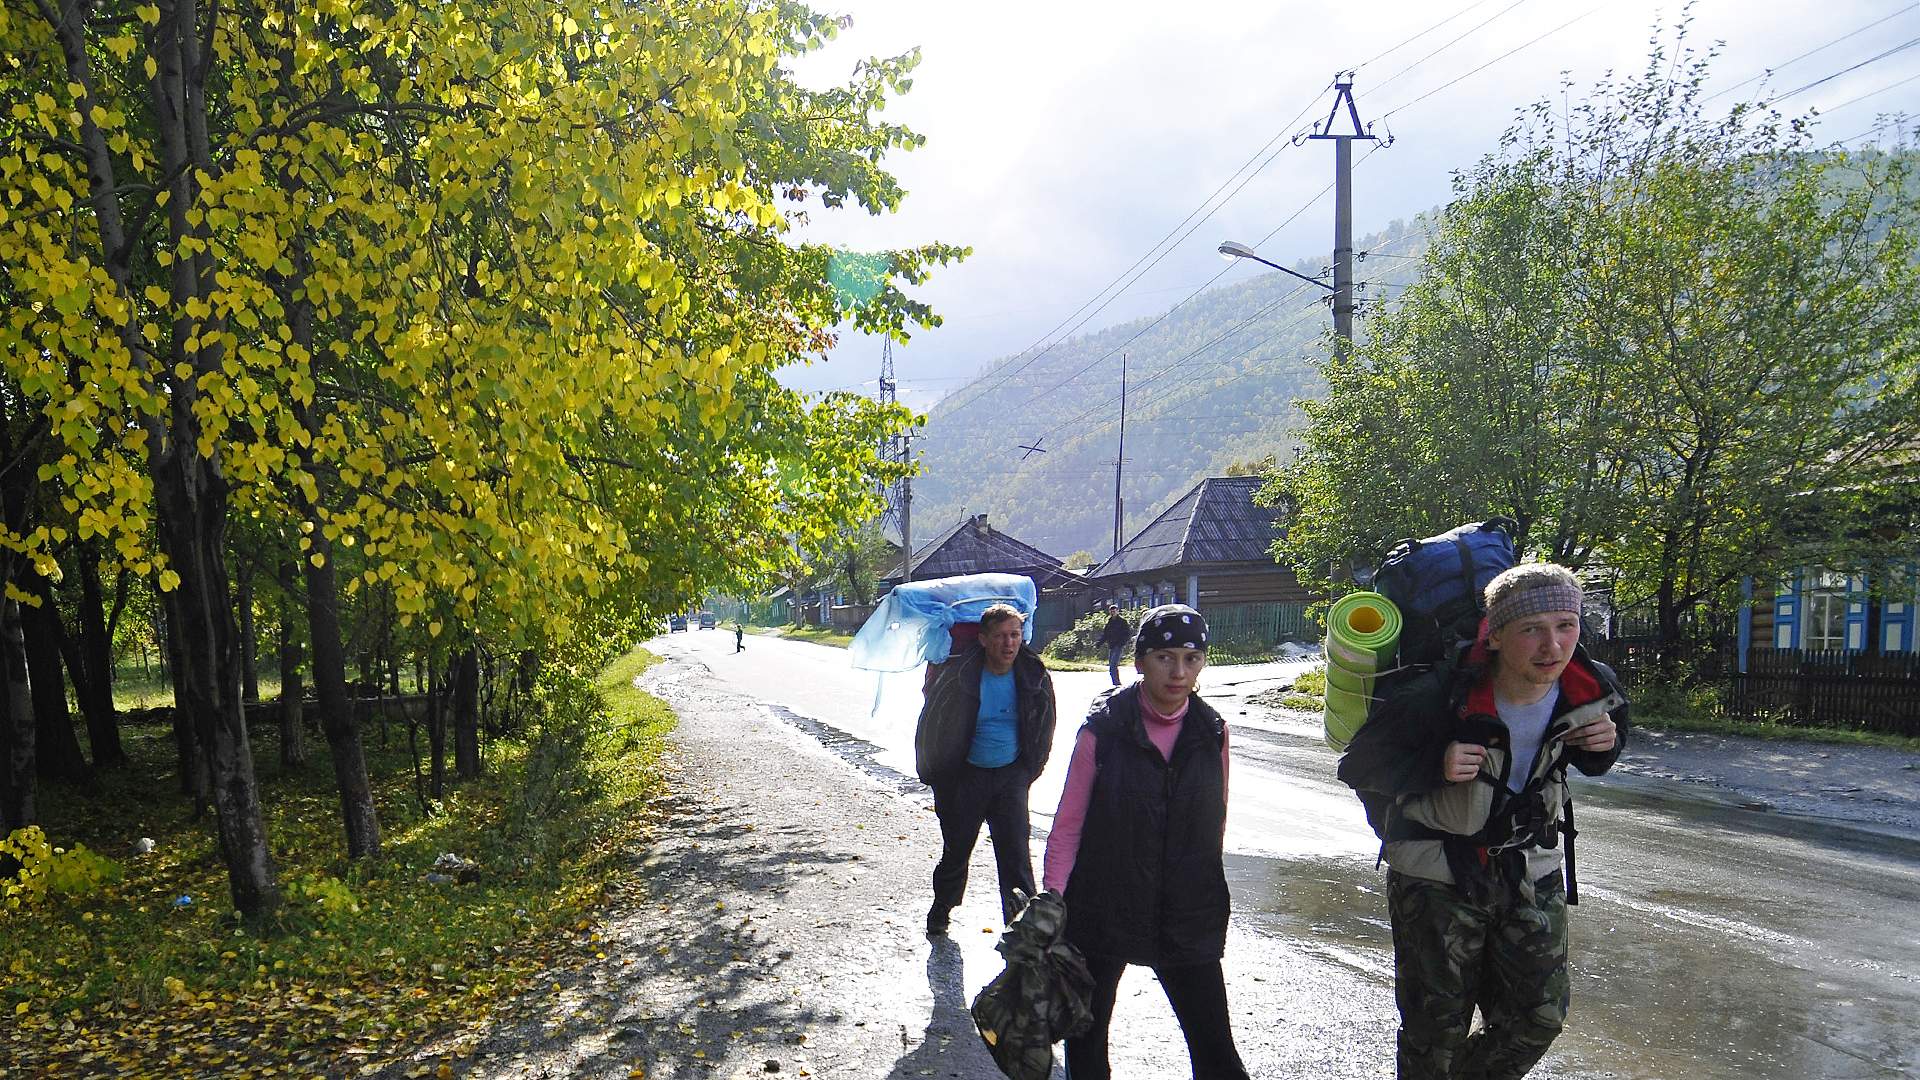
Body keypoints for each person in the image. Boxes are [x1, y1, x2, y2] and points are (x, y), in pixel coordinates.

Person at [1337, 564, 1628, 1080]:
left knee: (1537, 1020)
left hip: (1531, 871)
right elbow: (1357, 765)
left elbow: (1593, 754)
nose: (1553, 645)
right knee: (1435, 1034)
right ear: (1494, 636)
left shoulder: (1588, 687)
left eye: (1566, 625)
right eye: (1532, 628)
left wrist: (1606, 747)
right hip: (1436, 875)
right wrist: (1436, 766)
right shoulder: (1437, 694)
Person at [1043, 604, 1251, 1080]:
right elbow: (1069, 822)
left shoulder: (1211, 731)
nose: (1179, 672)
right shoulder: (1106, 729)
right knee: (1088, 1047)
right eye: (1165, 657)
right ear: (1139, 661)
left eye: (1191, 658)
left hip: (1185, 910)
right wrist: (1053, 900)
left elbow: (1213, 824)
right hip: (1103, 906)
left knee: (1218, 1056)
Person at [914, 603, 1057, 934]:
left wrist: (1028, 771)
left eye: (1015, 635)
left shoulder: (1033, 674)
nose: (1008, 644)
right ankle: (942, 910)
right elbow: (932, 725)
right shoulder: (960, 676)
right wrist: (936, 776)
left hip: (1011, 778)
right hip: (967, 777)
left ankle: (1022, 930)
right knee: (957, 850)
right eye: (1000, 637)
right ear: (982, 639)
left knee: (1016, 857)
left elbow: (1045, 722)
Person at [1097, 603, 1131, 687]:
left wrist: (1122, 643)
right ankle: (1115, 683)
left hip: (1118, 646)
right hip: (1111, 646)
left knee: (1113, 664)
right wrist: (1099, 643)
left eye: (1114, 611)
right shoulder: (1109, 622)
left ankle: (1117, 683)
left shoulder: (1122, 622)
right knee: (1111, 666)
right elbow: (1106, 634)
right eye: (1111, 611)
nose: (1113, 613)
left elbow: (1127, 634)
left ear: (1117, 611)